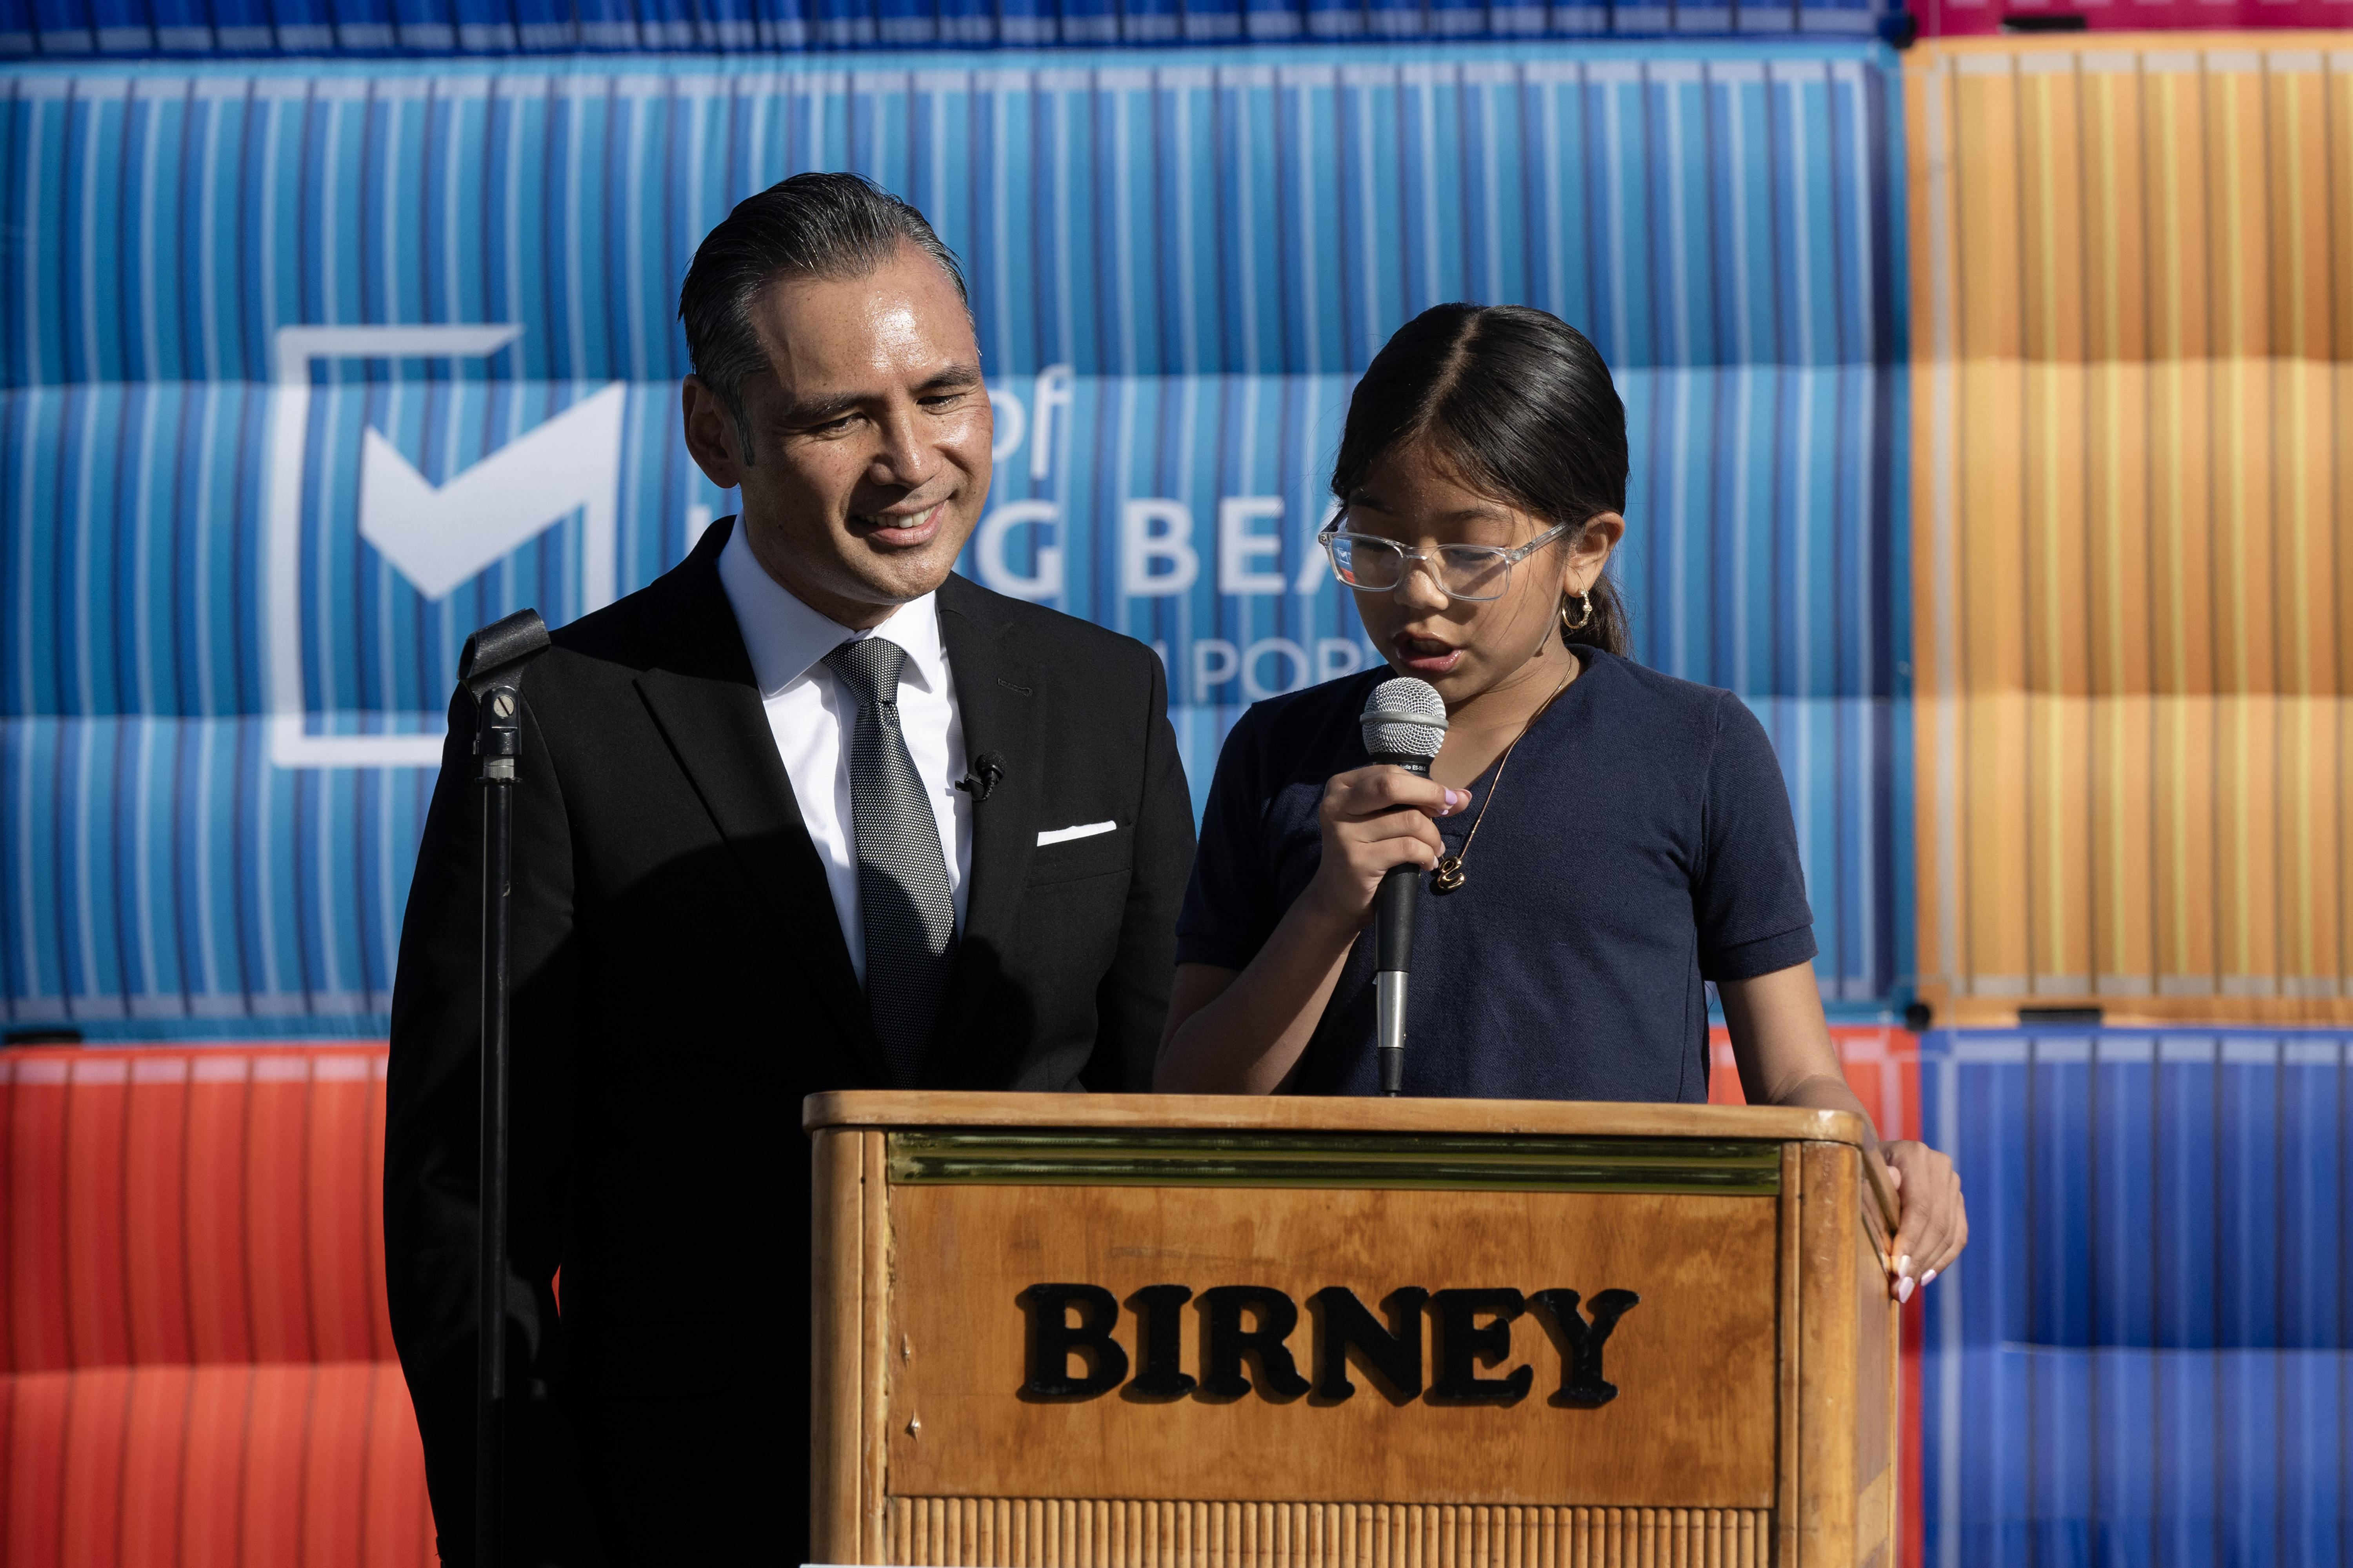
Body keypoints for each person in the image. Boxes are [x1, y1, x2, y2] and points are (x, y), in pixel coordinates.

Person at [385, 174, 1194, 1566]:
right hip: (697, 1509)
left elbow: (1176, 1132)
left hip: (1059, 1497)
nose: (912, 461)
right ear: (718, 431)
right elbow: (471, 1213)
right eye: (840, 416)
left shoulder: (1101, 693)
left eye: (944, 394)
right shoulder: (558, 718)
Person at [1155, 302, 1966, 1295]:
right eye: (1377, 544)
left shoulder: (1696, 750)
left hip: (1606, 1320)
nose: (1418, 593)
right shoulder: (1279, 755)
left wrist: (1875, 1160)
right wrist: (1329, 909)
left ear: (1585, 550)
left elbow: (1795, 1081)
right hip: (1320, 1315)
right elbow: (1188, 1098)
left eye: (1470, 554)